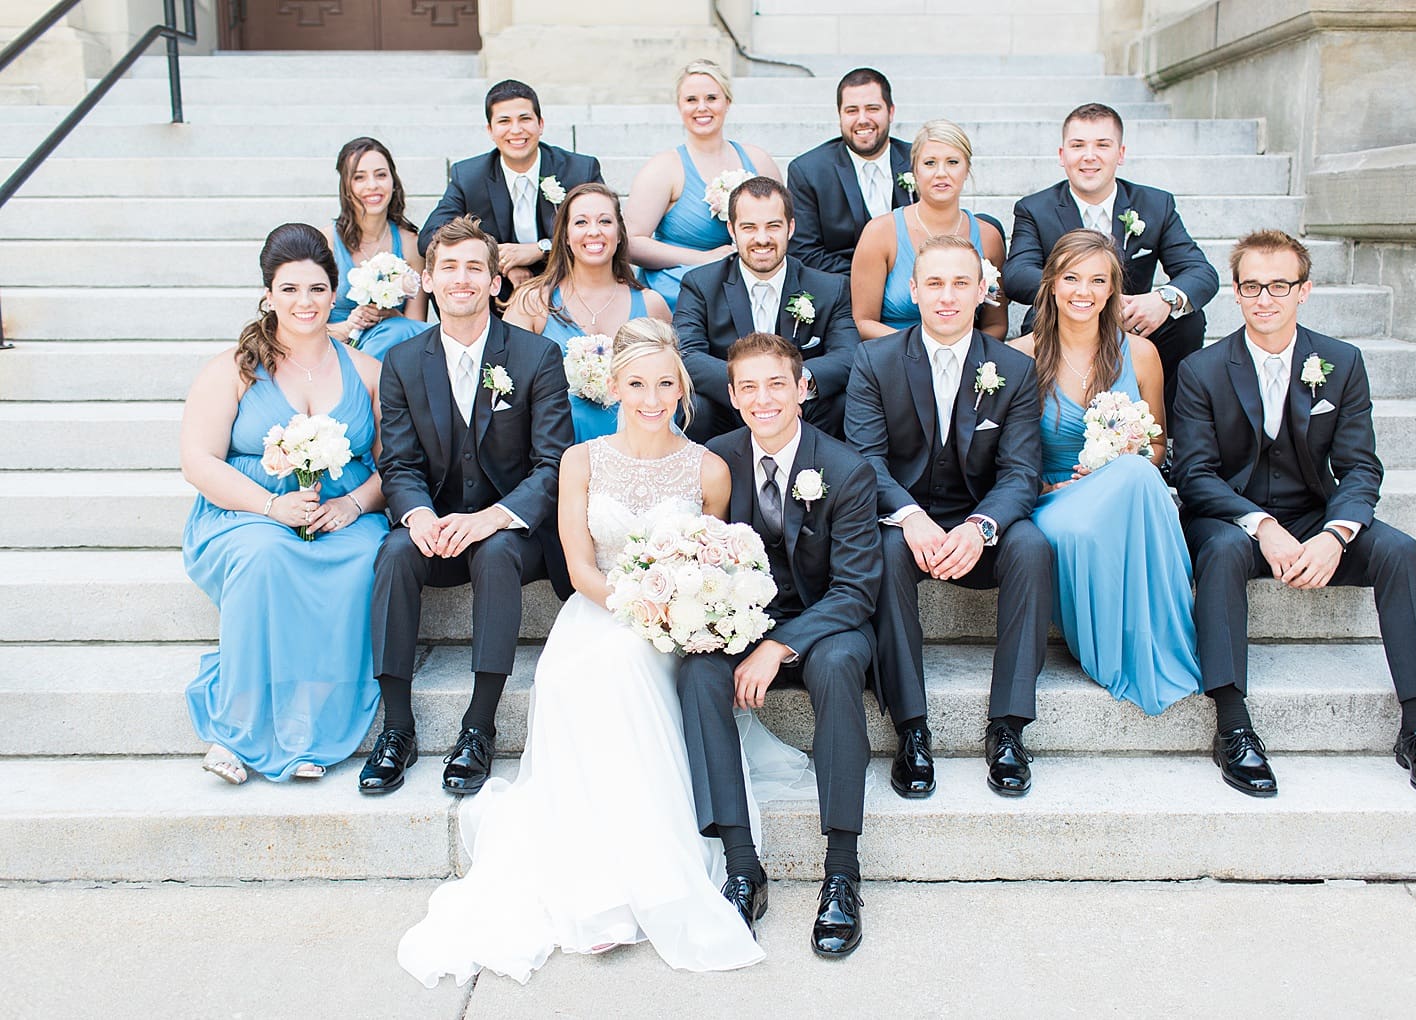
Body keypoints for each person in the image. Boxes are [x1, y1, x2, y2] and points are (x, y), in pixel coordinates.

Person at [397, 320, 767, 986]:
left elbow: (715, 566)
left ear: (681, 387)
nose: (650, 397)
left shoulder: (708, 469)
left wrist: (676, 614)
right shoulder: (581, 460)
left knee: (626, 665)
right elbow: (578, 566)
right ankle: (594, 879)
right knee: (596, 667)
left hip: (669, 633)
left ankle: (644, 871)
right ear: (614, 387)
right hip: (599, 613)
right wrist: (641, 609)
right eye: (635, 383)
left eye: (663, 383)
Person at [1172, 229, 1416, 800]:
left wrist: (1336, 532)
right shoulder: (1202, 370)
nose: (1265, 298)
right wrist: (1261, 524)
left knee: (1401, 551)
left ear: (1305, 290)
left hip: (1313, 514)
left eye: (1280, 285)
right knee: (1223, 553)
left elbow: (1359, 468)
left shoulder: (1341, 362)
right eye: (1252, 285)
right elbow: (1194, 475)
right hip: (1231, 518)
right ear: (1236, 291)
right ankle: (1232, 726)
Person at [677, 332, 881, 957]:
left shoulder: (846, 469)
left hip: (824, 620)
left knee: (843, 665)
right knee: (697, 672)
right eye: (749, 387)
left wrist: (781, 646)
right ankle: (743, 866)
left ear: (802, 389)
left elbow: (855, 591)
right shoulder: (713, 460)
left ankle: (841, 872)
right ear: (733, 396)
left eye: (776, 385)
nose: (764, 399)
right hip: (739, 619)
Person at [364, 215, 573, 798]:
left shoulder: (536, 357)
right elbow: (399, 464)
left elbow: (553, 463)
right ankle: (397, 727)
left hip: (511, 531)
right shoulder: (403, 362)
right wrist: (419, 516)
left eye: (474, 268)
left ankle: (478, 726)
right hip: (435, 526)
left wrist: (492, 517)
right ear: (427, 280)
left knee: (498, 552)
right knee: (393, 554)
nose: (462, 279)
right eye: (448, 268)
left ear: (495, 283)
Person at [845, 234, 1053, 799]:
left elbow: (1019, 474)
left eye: (961, 283)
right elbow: (866, 459)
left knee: (1032, 547)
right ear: (912, 290)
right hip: (902, 519)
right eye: (934, 282)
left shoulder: (1013, 367)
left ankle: (1007, 727)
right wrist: (909, 516)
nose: (947, 296)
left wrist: (981, 526)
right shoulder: (875, 360)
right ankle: (910, 728)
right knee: (882, 554)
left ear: (983, 290)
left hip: (978, 521)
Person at [181, 222, 389, 784]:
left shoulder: (366, 372)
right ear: (268, 295)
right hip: (246, 514)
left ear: (334, 292)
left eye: (317, 289)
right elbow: (199, 462)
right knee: (264, 558)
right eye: (290, 289)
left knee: (361, 560)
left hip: (339, 516)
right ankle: (237, 729)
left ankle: (313, 727)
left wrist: (355, 505)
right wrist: (271, 509)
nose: (305, 302)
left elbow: (396, 464)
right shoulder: (232, 369)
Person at [1008, 230, 1201, 714]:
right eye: (1071, 277)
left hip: (1127, 492)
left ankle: (1153, 641)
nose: (1083, 291)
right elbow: (1003, 454)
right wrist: (1044, 483)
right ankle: (1120, 648)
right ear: (1051, 283)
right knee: (1130, 489)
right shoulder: (1019, 356)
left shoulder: (1141, 354)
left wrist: (1126, 458)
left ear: (1114, 288)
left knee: (1137, 477)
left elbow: (1158, 445)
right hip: (1055, 496)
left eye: (1098, 280)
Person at [1001, 103, 1218, 421]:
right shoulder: (1036, 208)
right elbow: (1017, 273)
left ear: (1121, 153)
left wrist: (1163, 299)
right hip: (1063, 322)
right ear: (1063, 155)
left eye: (1102, 145)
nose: (1089, 156)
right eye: (1078, 146)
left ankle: (1167, 429)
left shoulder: (1155, 204)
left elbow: (1201, 272)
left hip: (1131, 324)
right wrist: (1081, 296)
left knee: (1187, 321)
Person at [674, 176, 859, 441]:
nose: (762, 239)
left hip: (804, 412)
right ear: (732, 229)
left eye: (773, 226)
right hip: (729, 413)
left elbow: (849, 355)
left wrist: (792, 386)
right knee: (698, 406)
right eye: (749, 227)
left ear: (790, 228)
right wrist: (750, 389)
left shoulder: (830, 288)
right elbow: (687, 354)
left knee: (843, 400)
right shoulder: (700, 284)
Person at [504, 182, 671, 442]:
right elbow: (508, 384)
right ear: (566, 237)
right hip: (554, 448)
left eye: (605, 221)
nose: (594, 232)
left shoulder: (652, 305)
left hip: (637, 447)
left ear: (619, 234)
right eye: (581, 222)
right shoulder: (534, 302)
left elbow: (670, 384)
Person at [419, 80, 605, 294]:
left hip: (570, 279)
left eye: (525, 119)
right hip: (500, 290)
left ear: (540, 124)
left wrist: (540, 249)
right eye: (504, 121)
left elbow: (609, 230)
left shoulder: (580, 170)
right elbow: (430, 237)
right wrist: (500, 260)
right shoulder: (469, 176)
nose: (516, 130)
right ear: (490, 130)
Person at [623, 59, 780, 310]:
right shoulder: (663, 169)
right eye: (691, 100)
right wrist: (703, 259)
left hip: (750, 281)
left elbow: (782, 227)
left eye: (711, 98)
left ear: (727, 103)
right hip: (681, 291)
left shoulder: (758, 161)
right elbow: (630, 241)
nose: (702, 107)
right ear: (679, 106)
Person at [850, 119, 1007, 341]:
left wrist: (961, 352)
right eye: (930, 163)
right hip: (895, 357)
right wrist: (924, 349)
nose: (941, 173)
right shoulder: (880, 233)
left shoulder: (988, 237)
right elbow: (864, 321)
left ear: (967, 169)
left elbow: (997, 324)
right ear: (914, 171)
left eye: (952, 162)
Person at [786, 67, 914, 275]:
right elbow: (804, 253)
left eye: (872, 108)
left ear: (890, 112)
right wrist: (870, 280)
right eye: (852, 110)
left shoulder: (918, 161)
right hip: (843, 289)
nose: (862, 119)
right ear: (840, 115)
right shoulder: (808, 171)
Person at [325, 137, 430, 361]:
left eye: (381, 175)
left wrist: (392, 316)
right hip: (333, 348)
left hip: (391, 348)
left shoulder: (411, 243)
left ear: (393, 181)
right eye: (359, 177)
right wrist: (347, 327)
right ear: (346, 185)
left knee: (400, 329)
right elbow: (300, 323)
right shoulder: (326, 241)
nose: (372, 185)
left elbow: (417, 329)